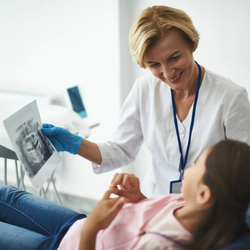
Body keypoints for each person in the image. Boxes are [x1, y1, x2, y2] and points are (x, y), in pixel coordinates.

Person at [41, 5, 250, 197]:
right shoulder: (145, 90)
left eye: (174, 58)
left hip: (210, 209)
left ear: (191, 44)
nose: (168, 73)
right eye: (154, 65)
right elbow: (121, 149)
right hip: (156, 201)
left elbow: (242, 172)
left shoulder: (230, 97)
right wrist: (75, 145)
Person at [0, 139, 250, 250]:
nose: (189, 167)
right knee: (8, 195)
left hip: (69, 243)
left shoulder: (162, 246)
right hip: (76, 224)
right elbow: (154, 217)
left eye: (197, 164)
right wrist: (139, 199)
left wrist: (93, 228)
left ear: (205, 194)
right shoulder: (185, 201)